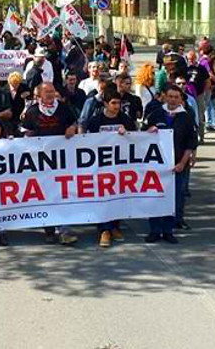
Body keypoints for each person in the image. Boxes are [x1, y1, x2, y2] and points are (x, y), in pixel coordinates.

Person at [19, 83, 79, 245]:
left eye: (53, 91)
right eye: (47, 92)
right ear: (39, 94)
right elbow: (24, 132)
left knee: (62, 193)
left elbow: (75, 122)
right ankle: (49, 229)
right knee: (45, 194)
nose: (51, 94)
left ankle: (64, 230)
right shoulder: (32, 112)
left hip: (62, 160)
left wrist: (72, 127)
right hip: (41, 162)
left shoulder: (64, 108)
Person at [81, 90, 139, 248]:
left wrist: (126, 134)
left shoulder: (124, 119)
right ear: (106, 103)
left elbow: (136, 138)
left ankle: (115, 226)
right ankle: (104, 230)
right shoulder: (95, 120)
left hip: (120, 166)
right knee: (102, 196)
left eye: (118, 103)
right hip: (100, 167)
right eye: (113, 103)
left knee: (117, 195)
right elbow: (87, 142)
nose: (116, 106)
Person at [143, 85, 197, 244]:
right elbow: (141, 136)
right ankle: (154, 230)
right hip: (156, 165)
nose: (173, 100)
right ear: (165, 97)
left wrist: (182, 163)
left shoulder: (186, 118)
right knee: (155, 197)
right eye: (170, 96)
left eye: (176, 97)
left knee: (174, 198)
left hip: (177, 166)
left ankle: (168, 230)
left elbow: (190, 143)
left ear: (181, 99)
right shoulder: (156, 114)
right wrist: (148, 131)